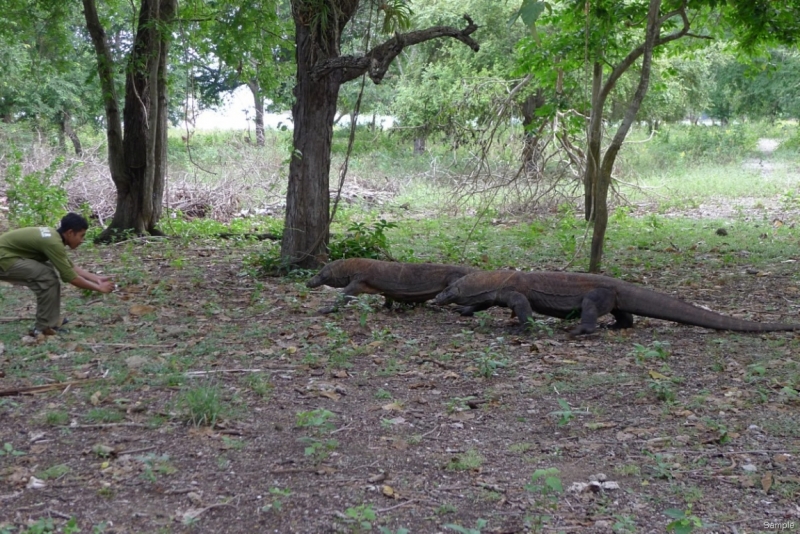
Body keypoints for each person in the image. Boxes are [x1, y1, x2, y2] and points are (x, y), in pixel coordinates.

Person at [0, 213, 114, 336]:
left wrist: (96, 279)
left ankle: (48, 324)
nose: (82, 240)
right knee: (46, 277)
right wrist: (98, 288)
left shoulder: (53, 237)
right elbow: (71, 278)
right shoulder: (53, 242)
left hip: (7, 256)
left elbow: (70, 266)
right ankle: (43, 328)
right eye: (81, 236)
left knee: (47, 275)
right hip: (4, 259)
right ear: (70, 233)